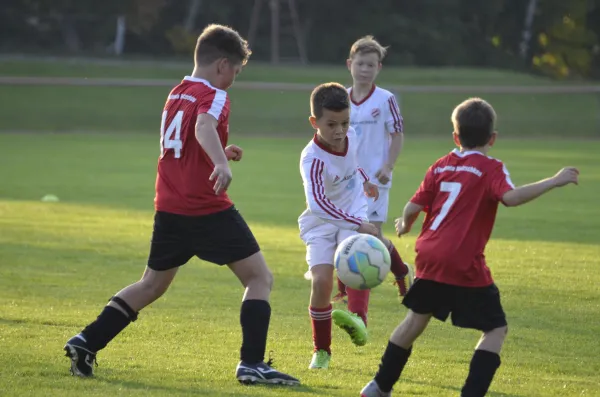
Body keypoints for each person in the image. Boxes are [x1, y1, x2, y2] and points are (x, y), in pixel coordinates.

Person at [63, 23, 299, 386]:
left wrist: (222, 151)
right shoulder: (215, 94)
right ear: (222, 65)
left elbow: (187, 140)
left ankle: (87, 340)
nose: (233, 79)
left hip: (169, 207)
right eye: (235, 71)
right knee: (259, 278)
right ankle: (251, 364)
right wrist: (219, 163)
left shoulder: (177, 92)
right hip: (205, 208)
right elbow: (203, 127)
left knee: (151, 285)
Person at [360, 97, 579, 397]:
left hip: (429, 254)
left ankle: (378, 386)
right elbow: (511, 198)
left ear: (455, 137)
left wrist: (405, 225)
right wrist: (553, 181)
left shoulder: (441, 165)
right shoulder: (491, 168)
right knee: (496, 328)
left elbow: (412, 206)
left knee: (416, 319)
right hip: (461, 258)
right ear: (493, 139)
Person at [299, 82, 381, 369]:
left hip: (352, 211)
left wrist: (365, 179)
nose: (340, 131)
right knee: (321, 282)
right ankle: (322, 351)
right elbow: (318, 206)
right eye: (331, 124)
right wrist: (359, 223)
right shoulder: (312, 159)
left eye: (345, 123)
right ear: (314, 122)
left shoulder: (351, 136)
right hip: (322, 221)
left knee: (358, 257)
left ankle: (358, 319)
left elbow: (353, 162)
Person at [334, 35, 413, 304]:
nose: (365, 70)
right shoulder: (340, 98)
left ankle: (401, 273)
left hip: (375, 182)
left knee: (372, 236)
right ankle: (344, 291)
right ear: (349, 64)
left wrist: (388, 166)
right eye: (360, 64)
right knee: (343, 232)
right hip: (345, 181)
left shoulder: (385, 99)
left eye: (371, 65)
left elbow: (398, 135)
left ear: (378, 68)